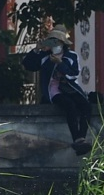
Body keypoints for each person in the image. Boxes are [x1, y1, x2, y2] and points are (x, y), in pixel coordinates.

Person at [22, 26, 92, 155]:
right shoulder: (45, 57)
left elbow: (73, 74)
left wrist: (60, 63)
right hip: (53, 91)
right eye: (52, 41)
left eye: (57, 41)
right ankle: (76, 138)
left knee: (86, 106)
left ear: (62, 43)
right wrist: (37, 49)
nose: (54, 44)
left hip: (69, 89)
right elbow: (28, 65)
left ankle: (81, 137)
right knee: (69, 106)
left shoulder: (71, 56)